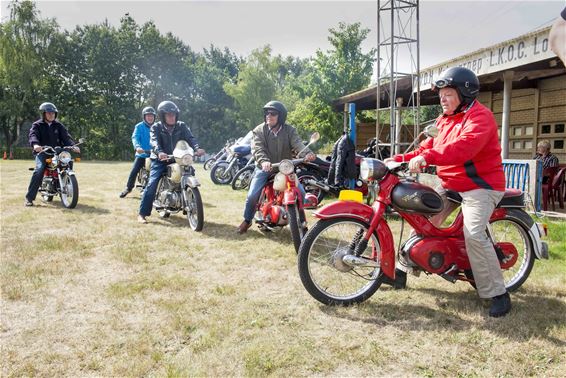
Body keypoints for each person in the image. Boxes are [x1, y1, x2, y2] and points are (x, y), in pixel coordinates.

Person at [388, 67, 511, 318]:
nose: (442, 99)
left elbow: (462, 149)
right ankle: (400, 272)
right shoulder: (444, 120)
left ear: (464, 93)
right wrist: (398, 159)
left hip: (481, 187)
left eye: (448, 94)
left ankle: (498, 293)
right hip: (451, 184)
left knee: (474, 234)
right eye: (441, 94)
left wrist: (427, 157)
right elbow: (426, 147)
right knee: (420, 220)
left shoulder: (480, 118)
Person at [237, 100, 316, 234]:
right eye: (267, 113)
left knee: (301, 193)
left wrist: (307, 153)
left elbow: (297, 144)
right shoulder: (259, 130)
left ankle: (302, 222)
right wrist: (264, 162)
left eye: (273, 113)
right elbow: (257, 148)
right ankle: (247, 219)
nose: (269, 116)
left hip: (284, 168)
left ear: (281, 116)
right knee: (252, 196)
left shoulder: (289, 130)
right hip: (265, 168)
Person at [138, 101, 204, 224]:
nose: (172, 117)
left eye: (174, 114)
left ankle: (187, 200)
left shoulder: (181, 126)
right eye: (169, 115)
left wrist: (196, 148)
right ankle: (142, 214)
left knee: (190, 172)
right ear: (162, 116)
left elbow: (190, 138)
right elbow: (154, 142)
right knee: (152, 185)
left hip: (177, 158)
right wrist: (159, 152)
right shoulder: (156, 127)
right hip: (160, 159)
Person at [25, 102, 80, 207]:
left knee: (68, 162)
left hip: (57, 152)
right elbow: (33, 136)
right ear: (43, 114)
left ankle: (64, 183)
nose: (51, 115)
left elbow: (66, 138)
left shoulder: (58, 125)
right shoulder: (37, 125)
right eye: (49, 113)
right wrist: (36, 145)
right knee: (39, 169)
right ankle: (29, 198)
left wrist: (73, 146)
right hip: (43, 152)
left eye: (53, 113)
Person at [119, 106, 156, 198]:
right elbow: (135, 137)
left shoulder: (157, 126)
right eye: (148, 116)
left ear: (154, 117)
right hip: (142, 154)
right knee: (134, 171)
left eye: (152, 116)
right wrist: (138, 147)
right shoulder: (139, 126)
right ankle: (128, 188)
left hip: (155, 154)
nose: (150, 117)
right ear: (144, 117)